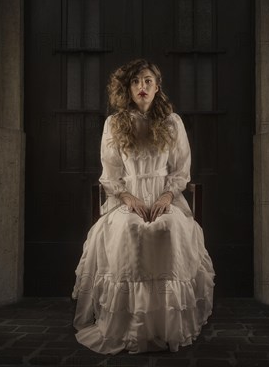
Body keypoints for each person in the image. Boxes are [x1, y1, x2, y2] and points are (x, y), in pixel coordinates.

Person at [71, 58, 216, 355]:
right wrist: (129, 198)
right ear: (128, 87)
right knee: (132, 231)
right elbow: (110, 175)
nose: (142, 87)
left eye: (148, 81)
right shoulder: (114, 123)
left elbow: (181, 171)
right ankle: (132, 325)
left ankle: (164, 324)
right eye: (136, 81)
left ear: (157, 86)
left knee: (166, 230)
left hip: (166, 198)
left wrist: (165, 198)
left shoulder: (172, 122)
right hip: (127, 198)